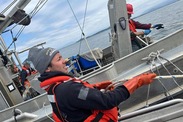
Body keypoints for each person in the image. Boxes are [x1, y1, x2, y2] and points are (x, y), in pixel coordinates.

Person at [28, 47, 156, 122]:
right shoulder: (67, 89)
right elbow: (108, 101)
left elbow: (74, 101)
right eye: (59, 59)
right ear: (48, 69)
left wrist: (94, 88)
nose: (65, 61)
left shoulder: (54, 88)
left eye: (62, 57)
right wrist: (137, 81)